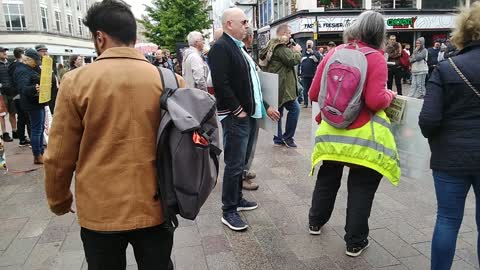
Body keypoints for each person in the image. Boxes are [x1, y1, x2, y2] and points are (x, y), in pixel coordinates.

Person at [43, 1, 185, 269]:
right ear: (133, 35)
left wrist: (59, 199)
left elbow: (59, 155)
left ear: (100, 37)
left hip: (100, 209)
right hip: (156, 202)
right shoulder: (170, 79)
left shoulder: (76, 81)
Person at [308, 10, 399, 257]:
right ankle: (355, 241)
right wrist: (390, 95)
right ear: (380, 34)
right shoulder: (376, 58)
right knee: (362, 185)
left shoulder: (334, 52)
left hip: (331, 135)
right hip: (361, 138)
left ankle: (315, 222)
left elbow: (313, 93)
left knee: (328, 177)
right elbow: (374, 100)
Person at [419, 3, 480, 269]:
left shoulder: (447, 68)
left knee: (447, 219)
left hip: (450, 158)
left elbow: (427, 121)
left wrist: (440, 139)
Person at [208, 7, 280, 231]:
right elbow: (221, 84)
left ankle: (237, 199)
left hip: (247, 115)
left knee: (242, 162)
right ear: (229, 24)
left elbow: (253, 84)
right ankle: (228, 210)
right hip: (236, 116)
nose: (247, 25)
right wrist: (237, 109)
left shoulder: (238, 48)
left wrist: (264, 107)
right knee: (234, 163)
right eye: (243, 21)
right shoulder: (221, 48)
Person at [259, 24, 302, 148]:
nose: (291, 36)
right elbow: (292, 60)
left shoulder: (271, 45)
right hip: (283, 85)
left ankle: (278, 138)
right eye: (289, 33)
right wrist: (298, 52)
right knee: (295, 109)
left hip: (276, 84)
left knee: (279, 111)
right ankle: (288, 138)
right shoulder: (280, 47)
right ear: (283, 34)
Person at [14, 48, 47, 164]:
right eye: (36, 61)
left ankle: (41, 152)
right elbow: (23, 89)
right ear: (28, 59)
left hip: (38, 101)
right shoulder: (22, 70)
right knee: (36, 130)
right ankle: (37, 155)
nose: (37, 63)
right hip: (32, 103)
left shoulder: (30, 68)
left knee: (40, 128)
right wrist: (34, 88)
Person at [241, 26, 260, 191]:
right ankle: (242, 175)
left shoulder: (244, 53)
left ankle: (244, 172)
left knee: (247, 145)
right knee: (246, 146)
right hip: (248, 109)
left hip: (250, 108)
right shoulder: (242, 54)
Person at [8, 47, 31, 146]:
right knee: (27, 118)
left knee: (21, 118)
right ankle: (29, 139)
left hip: (15, 94)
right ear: (22, 54)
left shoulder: (12, 65)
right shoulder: (20, 65)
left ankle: (22, 139)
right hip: (21, 94)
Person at [35, 44, 59, 114]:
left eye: (46, 51)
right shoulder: (37, 63)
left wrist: (57, 82)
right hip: (45, 89)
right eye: (42, 51)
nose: (45, 53)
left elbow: (54, 73)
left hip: (54, 88)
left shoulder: (50, 60)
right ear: (38, 52)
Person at [0, 47, 17, 142]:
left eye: (5, 51)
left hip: (11, 92)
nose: (5, 53)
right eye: (2, 52)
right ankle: (5, 133)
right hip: (1, 93)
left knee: (12, 112)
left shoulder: (10, 65)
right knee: (2, 114)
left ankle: (14, 131)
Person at [299, 40, 322, 108]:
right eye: (307, 44)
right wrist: (299, 74)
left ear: (312, 45)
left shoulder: (315, 53)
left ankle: (313, 104)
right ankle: (306, 103)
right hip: (304, 75)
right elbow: (299, 65)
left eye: (310, 44)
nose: (308, 45)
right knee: (305, 90)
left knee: (313, 90)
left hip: (313, 75)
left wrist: (313, 52)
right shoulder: (302, 54)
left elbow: (319, 60)